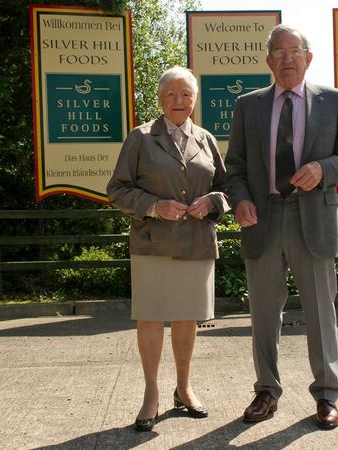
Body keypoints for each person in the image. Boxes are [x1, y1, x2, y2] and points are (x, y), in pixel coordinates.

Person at [224, 24, 338, 430]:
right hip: (262, 218)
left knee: (321, 311)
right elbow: (235, 169)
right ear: (268, 60)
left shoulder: (335, 102)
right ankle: (266, 390)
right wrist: (241, 199)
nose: (287, 58)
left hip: (313, 217)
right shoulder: (248, 106)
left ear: (308, 57)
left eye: (294, 50)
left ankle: (326, 394)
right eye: (278, 52)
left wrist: (323, 168)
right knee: (264, 312)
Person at [107, 66, 230, 432]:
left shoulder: (207, 139)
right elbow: (117, 190)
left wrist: (213, 202)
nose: (179, 101)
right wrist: (154, 206)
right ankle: (151, 395)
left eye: (186, 94)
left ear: (195, 100)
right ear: (160, 99)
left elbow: (226, 188)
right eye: (172, 94)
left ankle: (184, 387)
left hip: (196, 242)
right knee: (150, 317)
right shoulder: (140, 138)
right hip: (151, 243)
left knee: (186, 317)